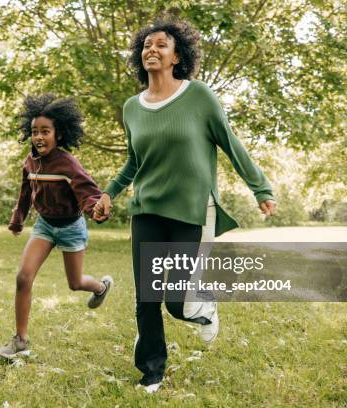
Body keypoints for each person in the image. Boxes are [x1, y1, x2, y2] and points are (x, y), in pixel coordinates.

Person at [93, 18, 276, 392]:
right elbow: (134, 160)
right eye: (146, 45)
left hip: (191, 209)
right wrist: (110, 192)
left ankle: (203, 308)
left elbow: (230, 142)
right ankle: (151, 370)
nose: (151, 50)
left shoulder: (198, 96)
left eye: (161, 44)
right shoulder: (132, 107)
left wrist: (261, 188)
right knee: (147, 298)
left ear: (178, 56)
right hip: (146, 208)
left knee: (177, 301)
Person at [0, 94, 113, 359]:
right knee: (23, 277)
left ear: (58, 134)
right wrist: (17, 220)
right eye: (34, 131)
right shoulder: (30, 162)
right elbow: (25, 194)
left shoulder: (67, 163)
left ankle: (100, 287)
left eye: (45, 131)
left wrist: (96, 209)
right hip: (45, 226)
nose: (39, 137)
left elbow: (88, 192)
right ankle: (20, 340)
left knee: (74, 283)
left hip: (71, 226)